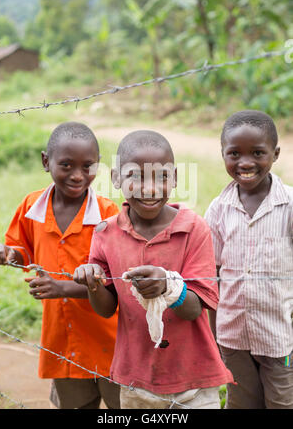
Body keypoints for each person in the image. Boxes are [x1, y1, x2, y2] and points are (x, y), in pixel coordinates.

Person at [74, 129, 234, 409]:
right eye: (135, 177)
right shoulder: (106, 233)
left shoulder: (193, 228)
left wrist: (169, 287)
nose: (150, 189)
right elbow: (105, 308)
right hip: (136, 379)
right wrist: (93, 283)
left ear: (174, 179)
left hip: (193, 381)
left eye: (161, 177)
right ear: (115, 178)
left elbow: (195, 308)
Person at [0, 122, 120, 409]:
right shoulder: (31, 206)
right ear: (45, 161)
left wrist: (60, 287)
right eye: (66, 165)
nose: (77, 175)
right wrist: (5, 254)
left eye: (87, 166)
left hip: (109, 342)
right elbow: (22, 251)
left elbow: (114, 280)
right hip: (63, 342)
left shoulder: (107, 214)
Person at [204, 110, 293, 409]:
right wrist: (216, 334)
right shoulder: (218, 210)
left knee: (282, 401)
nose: (245, 163)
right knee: (242, 402)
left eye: (257, 153)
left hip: (280, 336)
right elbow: (212, 275)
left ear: (275, 153)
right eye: (234, 154)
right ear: (223, 155)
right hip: (232, 336)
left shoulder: (290, 206)